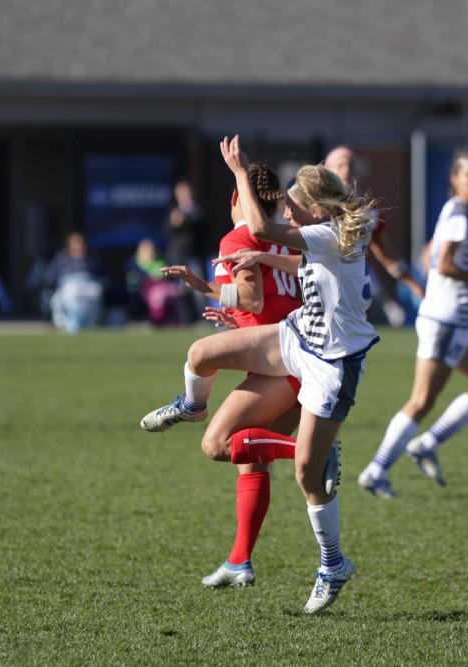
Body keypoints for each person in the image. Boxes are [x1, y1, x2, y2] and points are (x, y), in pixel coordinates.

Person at [141, 136, 378, 613]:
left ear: (315, 209)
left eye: (294, 205)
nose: (286, 212)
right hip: (296, 335)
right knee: (202, 352)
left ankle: (333, 564)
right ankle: (192, 405)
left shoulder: (327, 235)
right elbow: (299, 254)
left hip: (332, 365)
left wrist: (239, 172)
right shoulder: (335, 234)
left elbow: (260, 225)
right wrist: (264, 259)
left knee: (309, 478)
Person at [153, 163, 303, 588]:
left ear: (236, 199)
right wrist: (214, 295)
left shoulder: (240, 237)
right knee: (250, 458)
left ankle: (192, 405)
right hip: (302, 361)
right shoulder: (288, 239)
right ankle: (240, 561)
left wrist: (209, 290)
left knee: (215, 438)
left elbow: (253, 299)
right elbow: (269, 306)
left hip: (284, 365)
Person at [357, 148, 468, 496]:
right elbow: (443, 264)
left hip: (454, 322)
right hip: (445, 322)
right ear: (454, 179)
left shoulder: (455, 211)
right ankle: (376, 470)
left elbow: (429, 256)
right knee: (422, 400)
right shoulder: (458, 214)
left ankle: (426, 445)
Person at [324, 146, 425, 317]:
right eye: (340, 166)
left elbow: (384, 251)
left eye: (350, 165)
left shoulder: (367, 208)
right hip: (323, 277)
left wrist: (411, 284)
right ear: (328, 171)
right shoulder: (319, 205)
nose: (346, 170)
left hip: (357, 280)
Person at [165, 180, 208, 323]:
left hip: (194, 257)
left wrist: (187, 219)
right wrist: (174, 223)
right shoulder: (174, 212)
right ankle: (185, 321)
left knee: (199, 291)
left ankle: (204, 319)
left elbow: (202, 226)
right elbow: (166, 231)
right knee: (182, 292)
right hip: (178, 257)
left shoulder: (197, 209)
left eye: (185, 191)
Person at [43, 232, 103, 332]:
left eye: (81, 243)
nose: (79, 246)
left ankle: (88, 323)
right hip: (69, 288)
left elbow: (101, 276)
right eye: (76, 243)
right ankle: (70, 323)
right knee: (66, 299)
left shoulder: (91, 260)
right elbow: (50, 277)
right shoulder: (61, 259)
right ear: (69, 245)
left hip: (89, 290)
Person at [125, 239, 181, 326]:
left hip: (162, 288)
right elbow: (136, 279)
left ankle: (170, 320)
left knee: (172, 293)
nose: (149, 252)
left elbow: (168, 276)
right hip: (142, 290)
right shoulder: (134, 264)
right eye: (145, 250)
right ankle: (156, 321)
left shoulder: (160, 262)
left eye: (151, 250)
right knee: (157, 296)